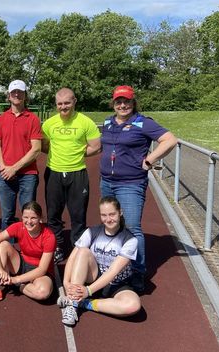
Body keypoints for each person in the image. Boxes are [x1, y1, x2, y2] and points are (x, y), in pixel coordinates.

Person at [100, 85, 177, 292]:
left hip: (131, 183)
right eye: (118, 101)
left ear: (133, 103)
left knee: (132, 228)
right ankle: (116, 266)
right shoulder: (108, 122)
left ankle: (137, 272)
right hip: (107, 181)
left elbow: (170, 140)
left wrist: (150, 160)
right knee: (112, 226)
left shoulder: (143, 122)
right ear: (113, 103)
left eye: (126, 101)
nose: (122, 105)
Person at [57, 196, 141, 326]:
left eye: (112, 214)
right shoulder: (91, 232)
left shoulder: (130, 240)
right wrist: (66, 282)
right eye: (104, 215)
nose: (108, 219)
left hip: (117, 283)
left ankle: (84, 303)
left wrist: (88, 291)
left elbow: (113, 271)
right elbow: (73, 257)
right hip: (94, 276)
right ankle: (73, 304)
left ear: (120, 212)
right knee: (83, 251)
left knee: (133, 306)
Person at [42, 88, 101, 263]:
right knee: (53, 214)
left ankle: (78, 247)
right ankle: (57, 246)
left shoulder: (85, 122)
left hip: (77, 173)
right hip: (54, 172)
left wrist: (78, 154)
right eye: (60, 104)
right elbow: (43, 146)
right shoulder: (49, 124)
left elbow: (96, 145)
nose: (63, 107)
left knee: (78, 214)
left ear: (74, 101)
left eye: (67, 103)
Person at [0, 201, 55, 305]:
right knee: (2, 245)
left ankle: (16, 285)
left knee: (42, 293)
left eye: (33, 218)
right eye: (25, 217)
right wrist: (0, 270)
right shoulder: (18, 226)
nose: (29, 221)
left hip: (40, 273)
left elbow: (42, 269)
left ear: (40, 218)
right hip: (21, 264)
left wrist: (16, 280)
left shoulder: (49, 237)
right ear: (22, 217)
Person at [0, 80, 42, 230]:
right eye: (13, 92)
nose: (16, 94)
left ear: (25, 95)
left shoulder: (33, 119)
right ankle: (8, 247)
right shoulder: (1, 119)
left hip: (28, 174)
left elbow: (36, 149)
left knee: (28, 215)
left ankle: (28, 247)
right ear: (8, 96)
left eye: (20, 92)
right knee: (7, 215)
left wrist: (14, 168)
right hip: (5, 174)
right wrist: (3, 167)